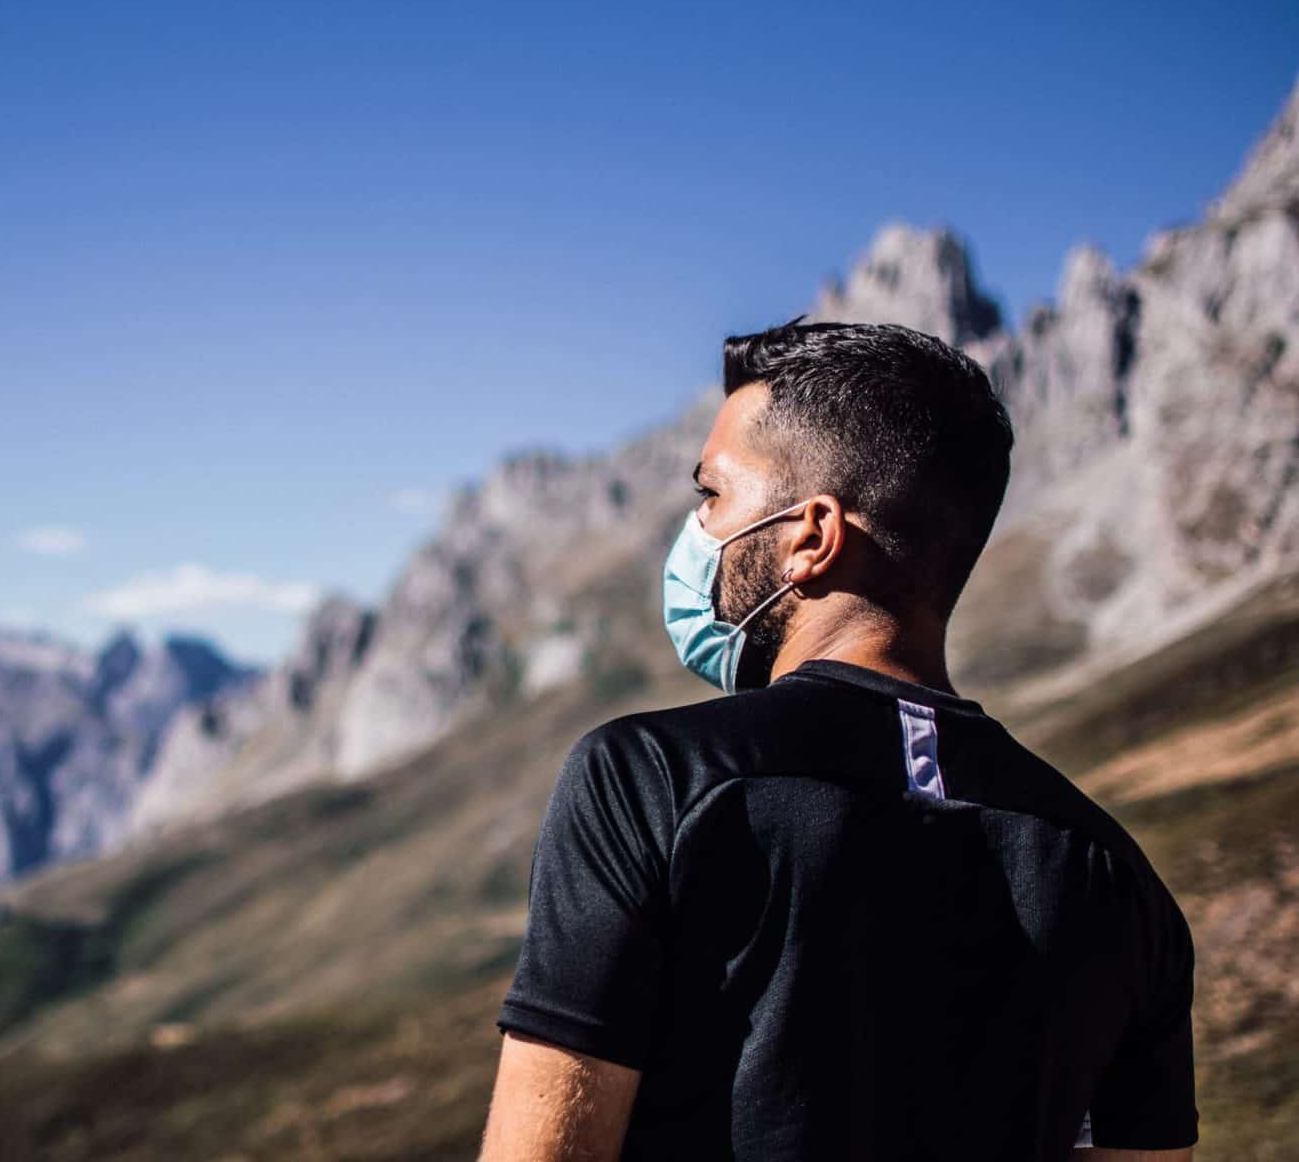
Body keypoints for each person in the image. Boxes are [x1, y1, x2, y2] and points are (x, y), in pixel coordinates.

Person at [478, 318, 1198, 1161]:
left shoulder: (652, 780)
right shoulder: (1118, 877)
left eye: (712, 496)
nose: (695, 533)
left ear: (811, 537)